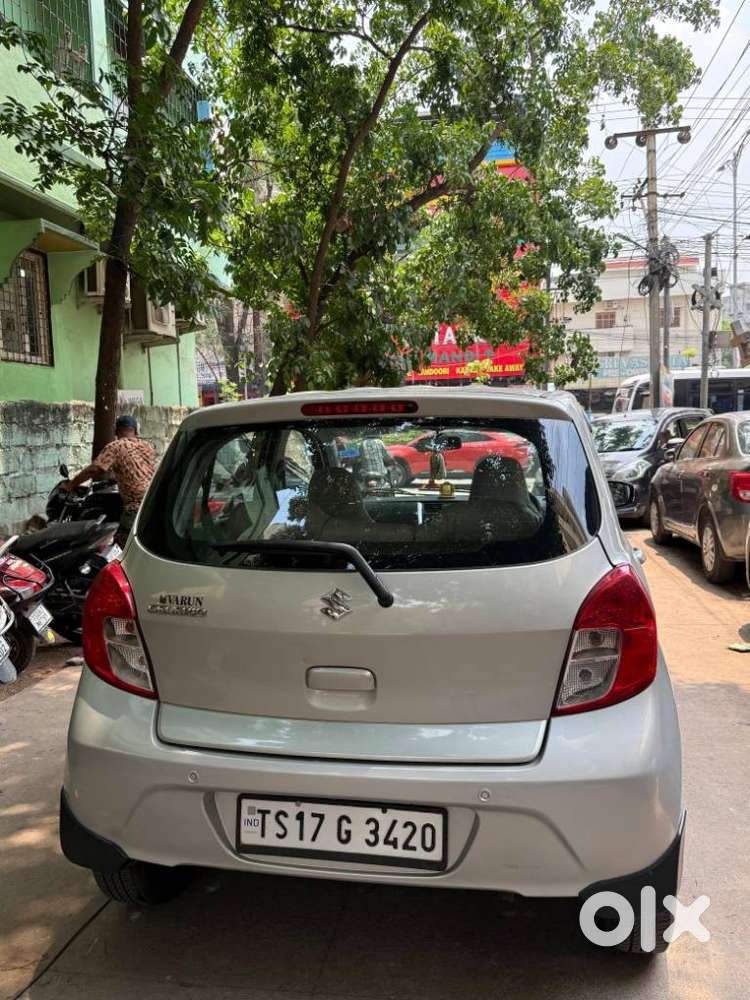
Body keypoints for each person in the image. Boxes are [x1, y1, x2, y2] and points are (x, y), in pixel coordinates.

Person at [61, 415, 156, 546]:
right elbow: (137, 469)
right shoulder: (147, 446)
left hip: (135, 506)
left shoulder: (116, 446)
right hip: (153, 502)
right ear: (136, 431)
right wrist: (115, 479)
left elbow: (94, 469)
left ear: (116, 431)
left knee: (121, 547)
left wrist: (70, 485)